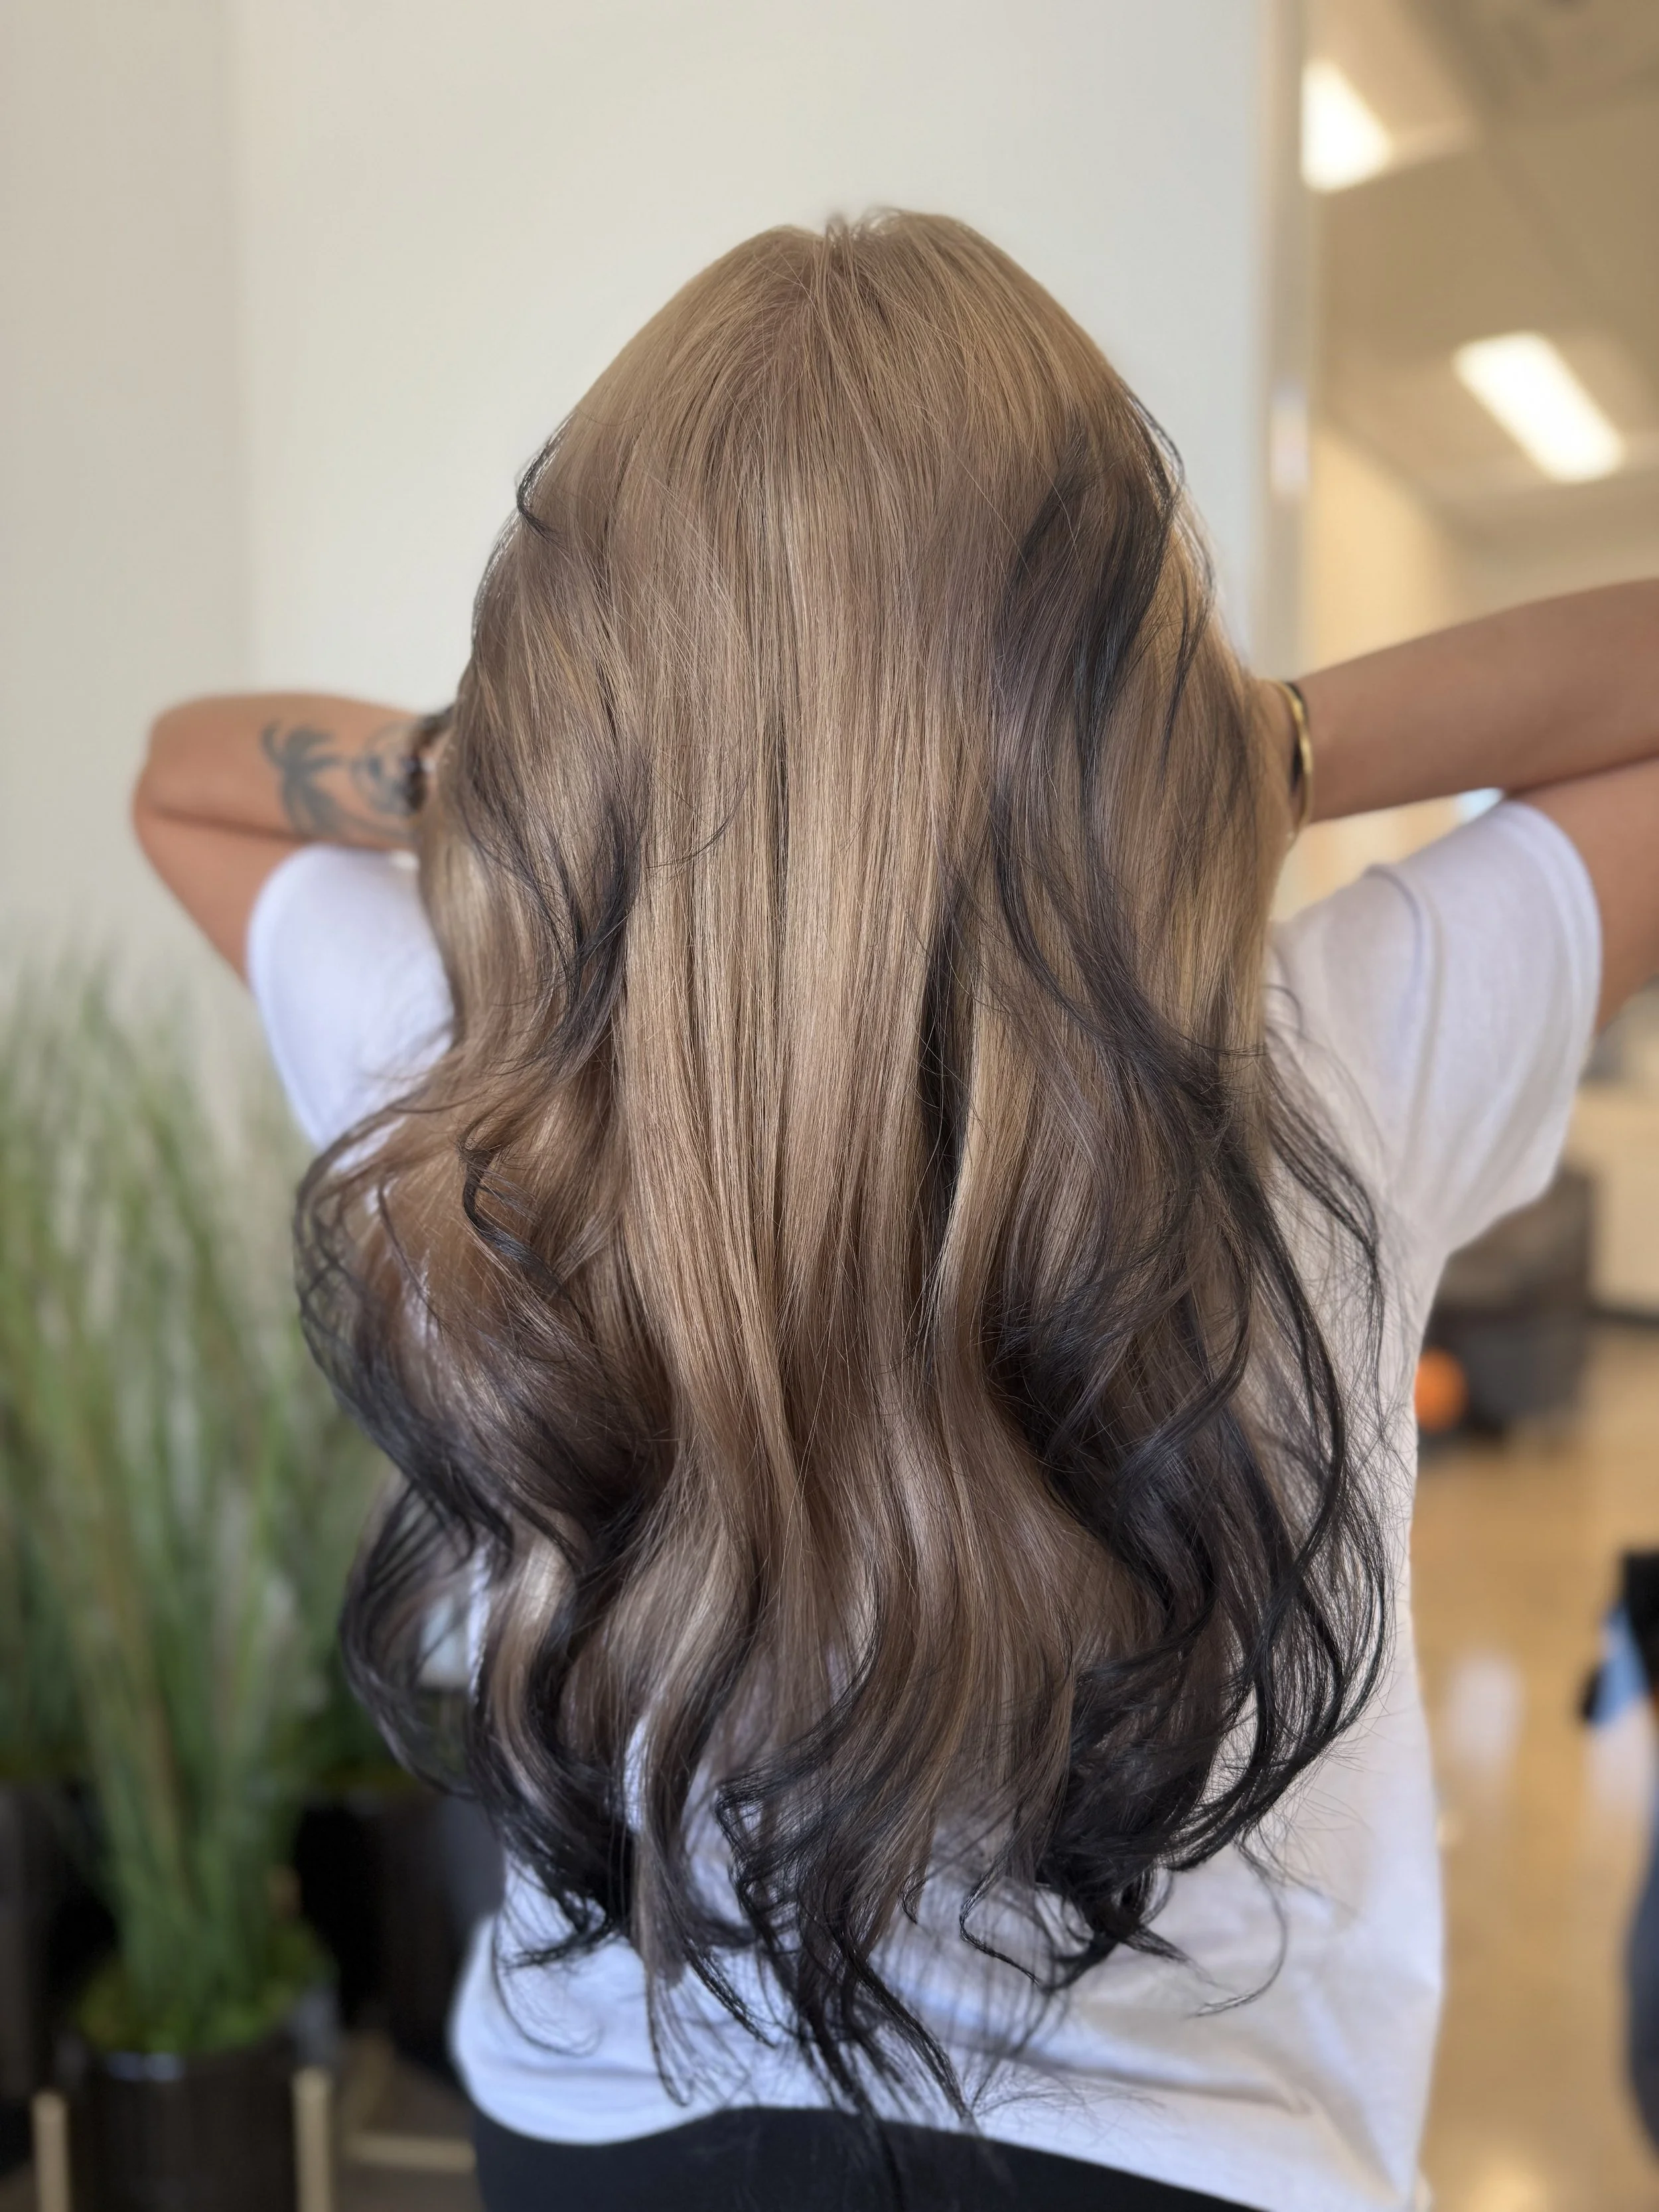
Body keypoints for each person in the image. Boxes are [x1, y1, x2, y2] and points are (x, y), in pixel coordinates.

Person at [133, 214, 1659, 2212]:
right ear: (1117, 662)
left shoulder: (480, 1069)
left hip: (601, 2129)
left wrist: (516, 784)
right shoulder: (1315, 1056)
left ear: (585, 661)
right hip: (1178, 2157)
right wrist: (1247, 752)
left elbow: (186, 775)